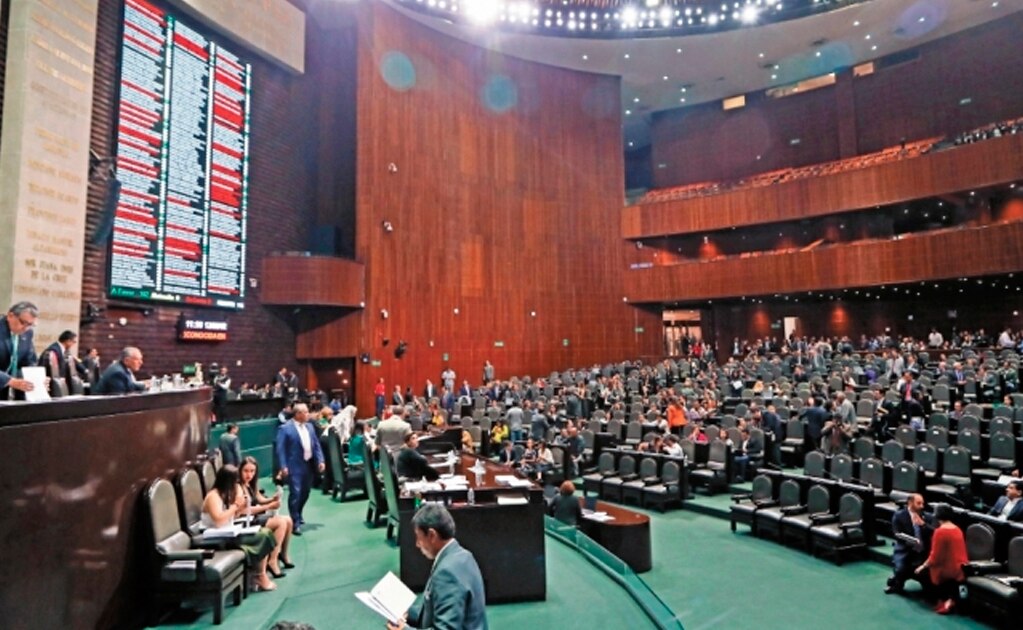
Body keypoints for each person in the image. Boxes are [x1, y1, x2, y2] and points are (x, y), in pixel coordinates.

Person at [388, 503, 488, 630]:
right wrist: (405, 612)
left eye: (419, 538)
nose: (417, 544)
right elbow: (434, 610)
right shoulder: (464, 556)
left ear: (432, 535)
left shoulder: (447, 572)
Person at [201, 464, 278, 591]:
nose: (237, 485)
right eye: (234, 482)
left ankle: (258, 574)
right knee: (262, 536)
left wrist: (242, 506)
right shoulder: (213, 496)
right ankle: (260, 575)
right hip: (215, 537)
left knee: (266, 533)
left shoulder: (225, 494)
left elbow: (232, 516)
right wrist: (236, 505)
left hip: (228, 532)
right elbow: (219, 521)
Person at [239, 456, 295, 578]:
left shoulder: (250, 484)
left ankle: (283, 556)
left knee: (289, 520)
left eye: (252, 471)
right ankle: (272, 560)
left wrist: (272, 499)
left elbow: (259, 498)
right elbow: (243, 511)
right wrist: (269, 506)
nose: (249, 474)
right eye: (246, 471)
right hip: (245, 522)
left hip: (254, 518)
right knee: (280, 522)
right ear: (240, 470)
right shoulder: (238, 487)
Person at [275, 403, 325, 535]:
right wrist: (283, 466)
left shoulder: (310, 427)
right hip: (294, 466)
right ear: (298, 414)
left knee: (305, 492)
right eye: (306, 412)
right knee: (295, 494)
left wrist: (320, 460)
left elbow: (316, 445)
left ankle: (298, 512)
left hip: (308, 464)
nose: (308, 414)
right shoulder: (285, 428)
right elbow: (280, 450)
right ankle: (295, 522)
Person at [915, 504, 968, 615]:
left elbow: (935, 557)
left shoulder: (940, 532)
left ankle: (943, 600)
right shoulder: (957, 529)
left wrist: (923, 566)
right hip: (961, 567)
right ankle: (946, 599)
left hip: (949, 570)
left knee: (921, 572)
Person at [885, 494, 933, 595]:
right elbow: (897, 534)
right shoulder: (899, 516)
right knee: (901, 569)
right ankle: (897, 583)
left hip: (923, 553)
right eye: (918, 503)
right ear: (910, 503)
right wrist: (912, 541)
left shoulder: (927, 517)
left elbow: (934, 532)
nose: (922, 506)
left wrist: (923, 525)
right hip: (905, 550)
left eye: (922, 503)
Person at [0, 301, 39, 399]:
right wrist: (9, 381)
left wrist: (37, 379)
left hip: (10, 396)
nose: (25, 328)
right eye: (23, 323)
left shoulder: (28, 333)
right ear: (10, 316)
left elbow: (30, 361)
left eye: (30, 325)